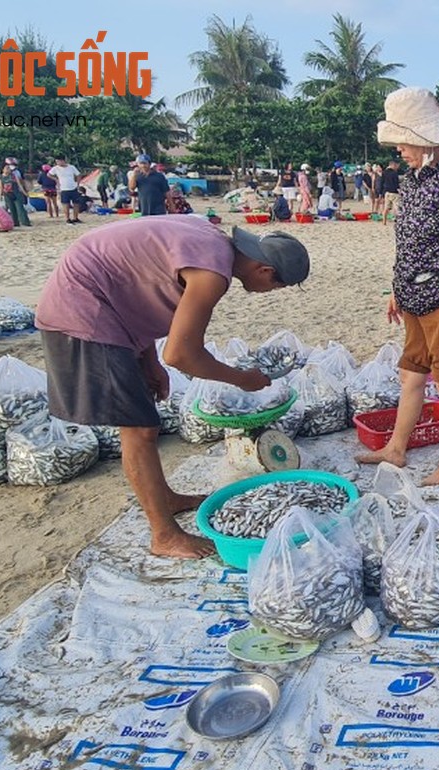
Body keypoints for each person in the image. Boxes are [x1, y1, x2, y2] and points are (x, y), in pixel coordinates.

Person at [35, 216, 309, 559]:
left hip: (107, 308)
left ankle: (165, 498)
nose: (270, 292)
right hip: (83, 313)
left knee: (143, 421)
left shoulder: (211, 238)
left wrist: (147, 360)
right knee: (139, 430)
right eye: (277, 287)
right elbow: (181, 353)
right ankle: (163, 535)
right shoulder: (213, 274)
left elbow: (136, 285)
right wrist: (243, 379)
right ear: (265, 271)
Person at [355, 88, 439, 486]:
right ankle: (396, 447)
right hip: (413, 294)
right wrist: (398, 288)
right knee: (411, 375)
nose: (399, 149)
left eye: (403, 140)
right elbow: (407, 241)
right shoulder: (412, 181)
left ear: (427, 139)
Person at [0, 157, 33, 227]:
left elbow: (20, 185)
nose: (8, 169)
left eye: (9, 168)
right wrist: (0, 195)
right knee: (12, 209)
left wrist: (25, 193)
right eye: (7, 168)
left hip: (16, 193)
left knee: (20, 208)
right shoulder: (0, 177)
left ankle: (25, 222)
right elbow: (0, 187)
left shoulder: (14, 175)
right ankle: (15, 223)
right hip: (7, 194)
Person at [50, 156, 83, 223]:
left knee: (76, 203)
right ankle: (67, 218)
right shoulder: (55, 168)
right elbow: (49, 174)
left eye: (59, 161)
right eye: (57, 162)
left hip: (73, 187)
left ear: (63, 161)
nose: (58, 163)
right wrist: (56, 180)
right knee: (65, 204)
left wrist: (78, 184)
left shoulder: (71, 167)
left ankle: (75, 217)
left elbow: (78, 174)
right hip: (64, 188)